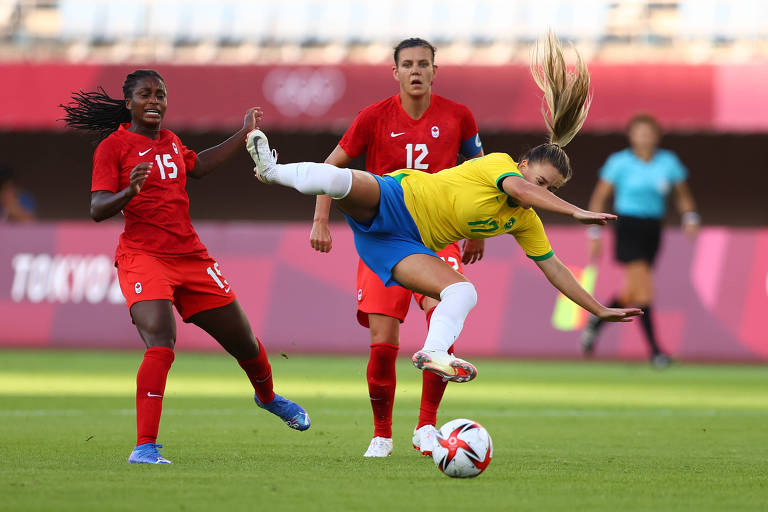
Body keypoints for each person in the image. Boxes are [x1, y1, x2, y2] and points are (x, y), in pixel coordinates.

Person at [245, 30, 643, 420]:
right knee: (339, 180)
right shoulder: (499, 165)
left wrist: (598, 310)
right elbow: (521, 188)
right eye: (541, 182)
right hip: (395, 199)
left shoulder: (523, 220)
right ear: (523, 166)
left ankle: (434, 352)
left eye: (550, 189)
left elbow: (554, 268)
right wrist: (574, 211)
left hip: (402, 247)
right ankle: (270, 170)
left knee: (463, 293)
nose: (539, 190)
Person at [60, 69, 310, 465]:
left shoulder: (172, 142)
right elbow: (96, 209)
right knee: (161, 339)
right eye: (145, 94)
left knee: (244, 341)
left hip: (192, 257)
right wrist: (130, 191)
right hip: (144, 257)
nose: (155, 100)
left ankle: (268, 398)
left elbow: (199, 166)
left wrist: (244, 133)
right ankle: (145, 447)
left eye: (160, 94)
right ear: (129, 104)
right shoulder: (113, 147)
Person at [309, 38, 485, 458]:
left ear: (434, 70)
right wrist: (320, 219)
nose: (416, 71)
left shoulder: (459, 116)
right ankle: (381, 434)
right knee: (383, 340)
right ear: (396, 72)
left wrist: (479, 231)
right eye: (407, 65)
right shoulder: (373, 117)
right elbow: (329, 169)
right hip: (384, 238)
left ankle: (426, 426)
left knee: (444, 320)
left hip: (437, 237)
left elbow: (482, 173)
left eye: (424, 64)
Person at [581, 113, 699, 368]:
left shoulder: (668, 162)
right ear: (631, 136)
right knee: (644, 290)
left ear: (656, 136)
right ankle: (656, 351)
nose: (644, 138)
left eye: (649, 133)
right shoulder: (619, 162)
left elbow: (682, 194)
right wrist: (594, 233)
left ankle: (596, 321)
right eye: (639, 132)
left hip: (653, 228)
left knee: (633, 291)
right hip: (628, 226)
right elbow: (599, 197)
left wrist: (690, 216)